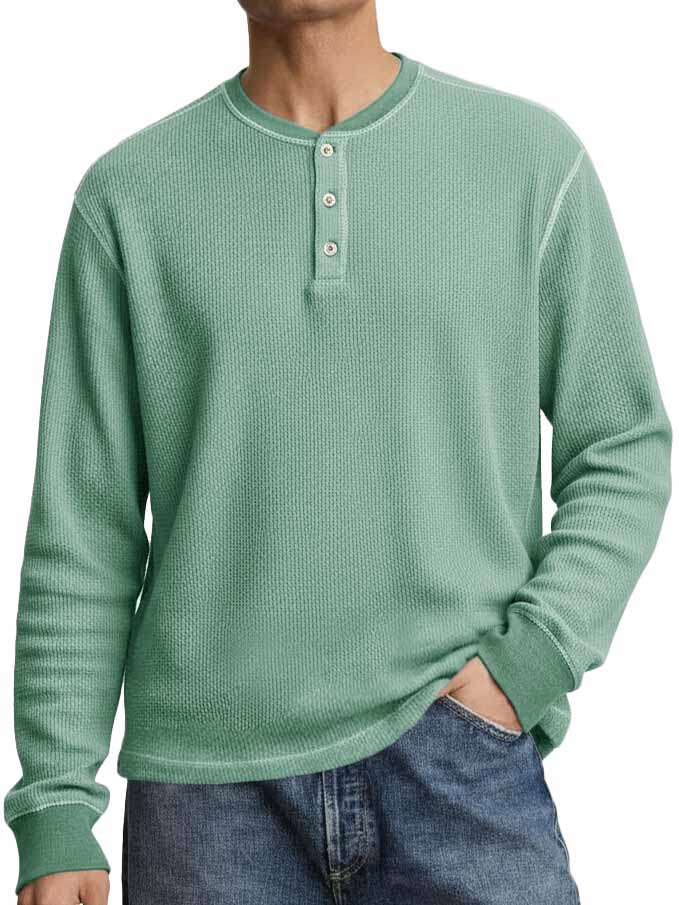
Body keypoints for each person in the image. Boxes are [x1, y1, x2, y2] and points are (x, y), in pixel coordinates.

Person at [5, 1, 672, 903]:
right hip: (206, 799)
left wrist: (528, 662)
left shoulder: (527, 160)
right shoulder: (131, 196)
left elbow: (622, 443)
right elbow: (84, 526)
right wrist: (54, 803)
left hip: (459, 756)